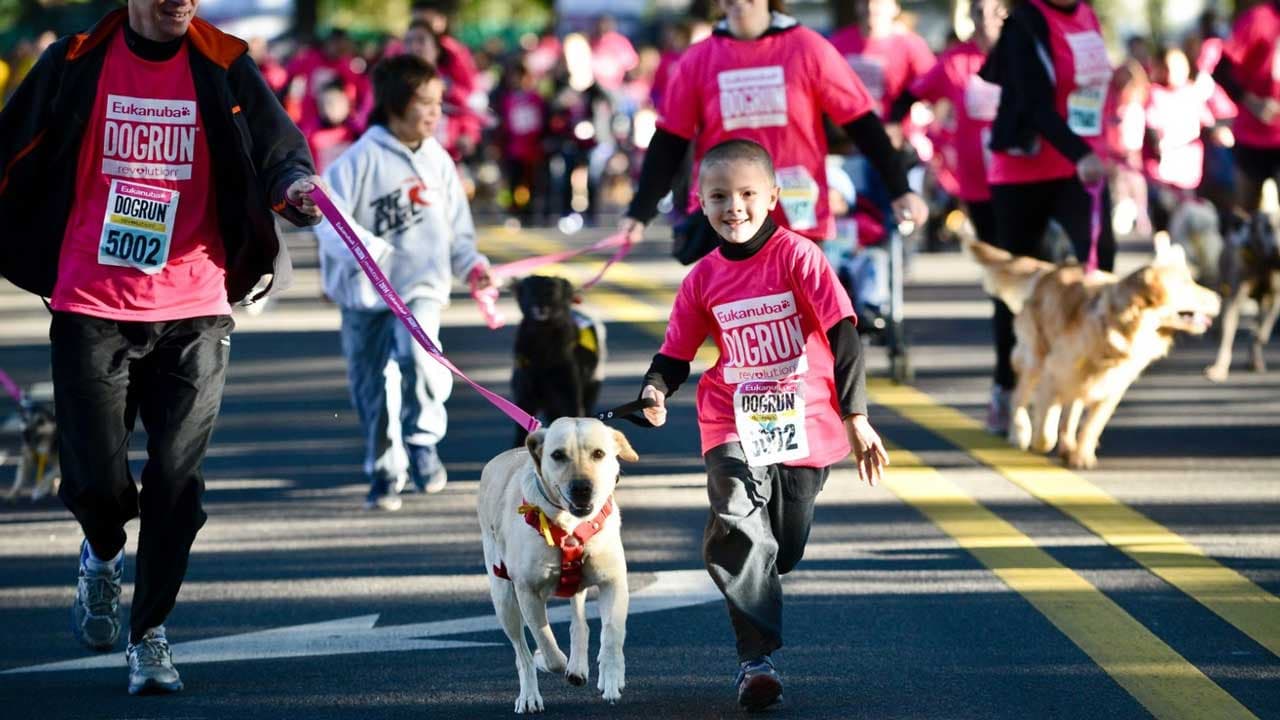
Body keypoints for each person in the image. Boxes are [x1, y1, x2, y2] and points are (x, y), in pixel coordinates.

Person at [0, 0, 322, 695]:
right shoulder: (76, 61)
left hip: (195, 305)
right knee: (94, 478)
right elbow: (11, 143)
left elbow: (278, 148)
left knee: (175, 485)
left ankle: (149, 633)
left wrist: (294, 186)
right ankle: (103, 553)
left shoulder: (224, 62)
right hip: (92, 301)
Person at [638, 139, 888, 711]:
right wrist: (655, 388)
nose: (735, 207)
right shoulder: (701, 278)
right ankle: (755, 663)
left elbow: (844, 331)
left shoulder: (798, 256)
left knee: (782, 549)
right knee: (737, 525)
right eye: (720, 196)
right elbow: (676, 352)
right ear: (700, 203)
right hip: (730, 415)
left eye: (748, 194)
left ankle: (751, 568)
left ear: (774, 196)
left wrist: (857, 416)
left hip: (805, 420)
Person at [315, 53, 493, 512]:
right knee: (371, 385)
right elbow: (327, 221)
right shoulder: (358, 160)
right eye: (425, 103)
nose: (436, 113)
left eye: (439, 103)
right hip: (364, 297)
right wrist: (371, 253)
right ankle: (384, 470)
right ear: (395, 104)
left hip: (420, 290)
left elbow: (457, 228)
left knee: (421, 356)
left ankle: (422, 440)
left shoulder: (439, 161)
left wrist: (472, 264)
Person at [620, 0, 926, 260]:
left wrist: (900, 188)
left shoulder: (807, 47)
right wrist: (639, 213)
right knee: (738, 325)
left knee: (802, 325)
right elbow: (671, 139)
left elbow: (860, 122)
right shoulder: (698, 59)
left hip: (798, 216)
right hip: (730, 219)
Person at [977, 0, 1115, 435]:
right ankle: (1007, 386)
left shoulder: (1087, 15)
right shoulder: (1025, 23)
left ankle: (1081, 382)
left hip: (1079, 167)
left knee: (1100, 270)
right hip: (1025, 171)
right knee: (1014, 282)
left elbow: (1086, 92)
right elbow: (1036, 106)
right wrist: (1082, 153)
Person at [888, 0, 1007, 246]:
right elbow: (911, 95)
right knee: (992, 247)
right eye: (978, 11)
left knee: (1022, 248)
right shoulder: (955, 60)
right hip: (975, 172)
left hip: (1017, 168)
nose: (985, 19)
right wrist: (892, 125)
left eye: (992, 11)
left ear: (1004, 14)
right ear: (971, 16)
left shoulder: (1020, 55)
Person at [1212, 0, 1280, 220]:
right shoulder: (1258, 19)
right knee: (1244, 218)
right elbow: (1222, 69)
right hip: (1254, 136)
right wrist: (1253, 102)